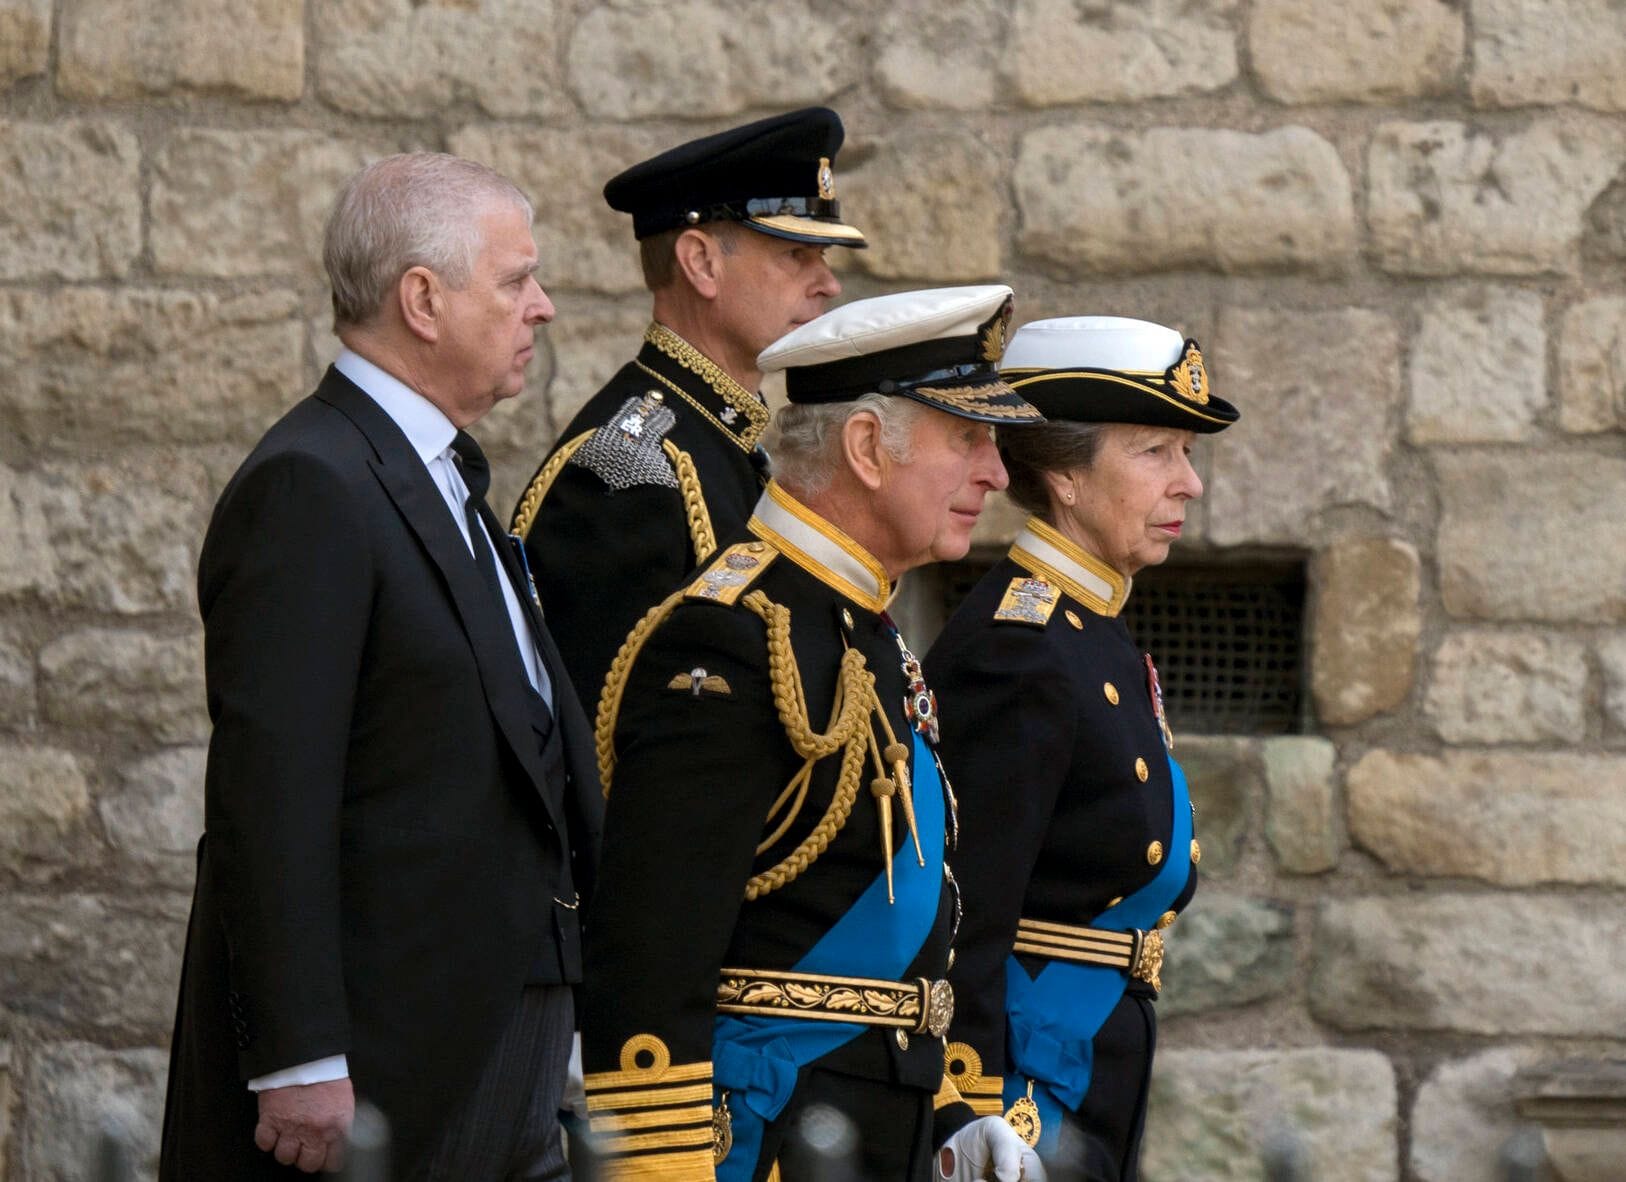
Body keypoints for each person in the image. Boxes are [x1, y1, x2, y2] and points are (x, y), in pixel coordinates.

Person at [159, 153, 603, 1180]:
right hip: (388, 1066)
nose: (541, 307)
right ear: (422, 300)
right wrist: (300, 1054)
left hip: (501, 1030)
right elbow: (272, 793)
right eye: (515, 279)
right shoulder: (312, 484)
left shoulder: (443, 484)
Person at [577, 286, 1046, 1182]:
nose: (994, 473)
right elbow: (650, 960)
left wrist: (946, 1114)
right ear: (867, 448)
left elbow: (863, 942)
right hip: (764, 1141)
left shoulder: (859, 623)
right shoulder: (734, 633)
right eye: (967, 439)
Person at [926, 317, 1240, 1180]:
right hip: (1034, 1083)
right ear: (1063, 471)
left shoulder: (1088, 624)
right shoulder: (1018, 644)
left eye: (1185, 452)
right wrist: (971, 1108)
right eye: (1155, 452)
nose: (1190, 484)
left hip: (1097, 1064)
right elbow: (968, 913)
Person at [508, 107, 866, 713]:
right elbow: (603, 749)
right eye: (795, 255)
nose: (827, 284)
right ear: (701, 263)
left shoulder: (725, 440)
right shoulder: (627, 475)